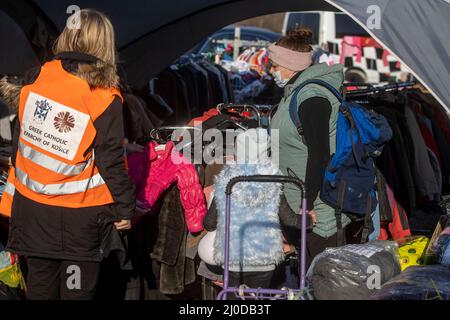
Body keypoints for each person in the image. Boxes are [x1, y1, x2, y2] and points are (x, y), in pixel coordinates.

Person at [0, 9, 135, 299]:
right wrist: (126, 208)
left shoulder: (35, 78)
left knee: (39, 292)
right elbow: (110, 158)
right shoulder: (102, 95)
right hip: (80, 221)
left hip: (32, 214)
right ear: (103, 43)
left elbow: (19, 144)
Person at [268, 27, 350, 265]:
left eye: (274, 65)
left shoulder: (311, 97)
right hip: (299, 208)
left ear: (290, 64)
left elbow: (320, 154)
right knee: (307, 278)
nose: (272, 70)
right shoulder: (293, 92)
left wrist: (307, 203)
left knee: (325, 279)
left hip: (319, 214)